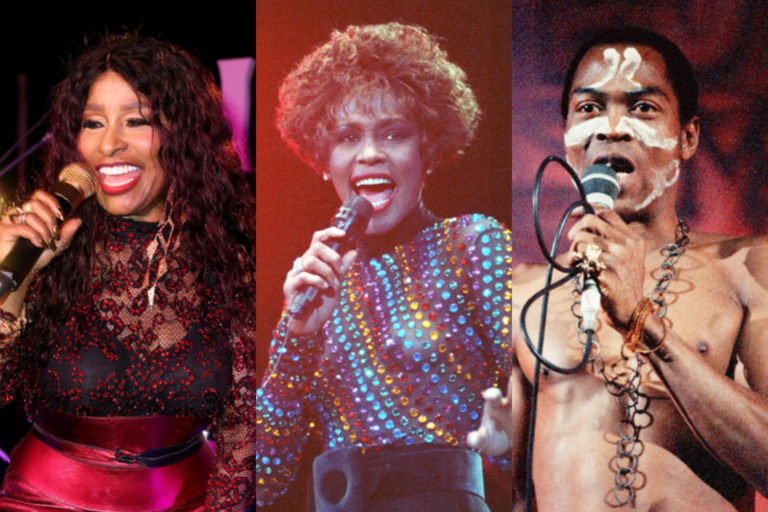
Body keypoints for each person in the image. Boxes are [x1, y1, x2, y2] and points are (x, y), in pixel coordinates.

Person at [472, 26, 768, 511]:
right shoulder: (522, 292)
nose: (612, 127)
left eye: (642, 107)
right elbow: (515, 492)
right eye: (589, 108)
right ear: (567, 137)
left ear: (688, 137)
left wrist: (643, 322)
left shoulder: (747, 267)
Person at [255, 22, 512, 511]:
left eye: (394, 133)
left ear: (427, 149)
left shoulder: (472, 244)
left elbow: (540, 406)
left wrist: (505, 438)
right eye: (348, 137)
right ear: (323, 159)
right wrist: (299, 335)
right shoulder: (318, 282)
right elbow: (262, 476)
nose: (370, 153)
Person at [0, 34, 255, 511]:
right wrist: (16, 281)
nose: (109, 144)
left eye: (136, 121)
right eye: (92, 123)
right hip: (45, 501)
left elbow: (244, 434)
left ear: (183, 134)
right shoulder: (48, 240)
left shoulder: (233, 256)